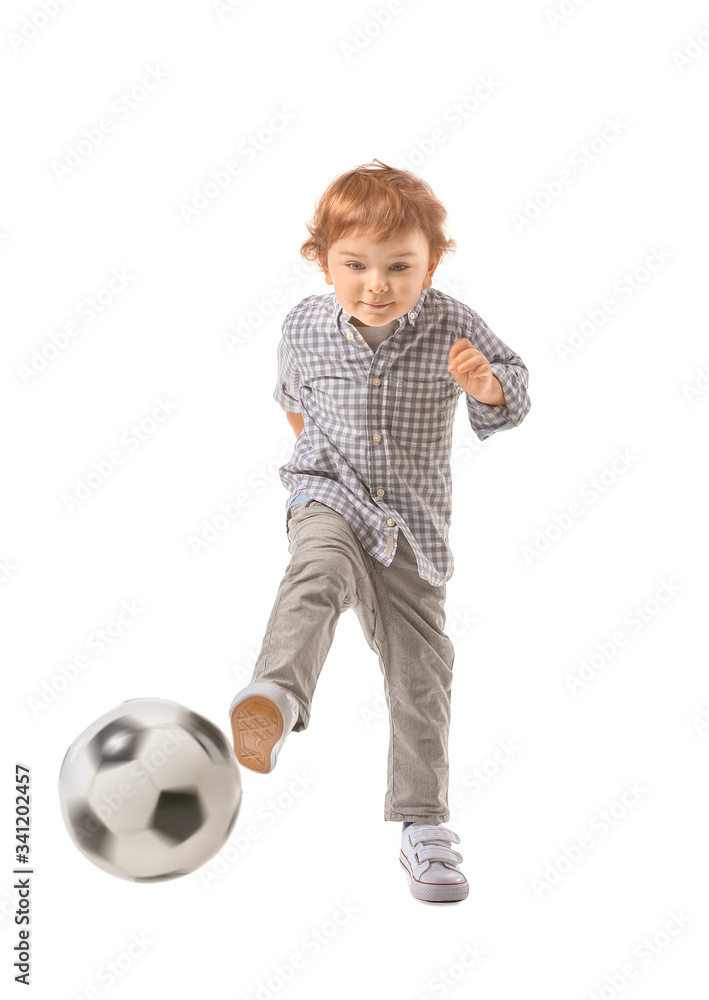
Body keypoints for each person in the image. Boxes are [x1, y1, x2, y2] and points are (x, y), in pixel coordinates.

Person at [228, 159, 531, 902]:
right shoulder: (304, 324)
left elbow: (513, 391)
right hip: (329, 497)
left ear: (431, 263)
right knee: (317, 573)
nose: (377, 283)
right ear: (321, 262)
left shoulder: (452, 324)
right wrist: (315, 461)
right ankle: (275, 695)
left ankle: (422, 825)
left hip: (414, 531)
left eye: (399, 266)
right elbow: (290, 399)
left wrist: (485, 386)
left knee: (422, 676)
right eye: (354, 265)